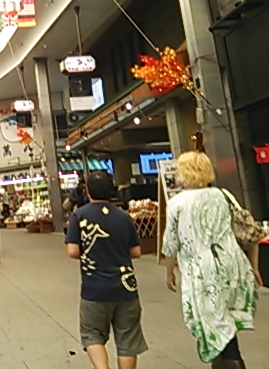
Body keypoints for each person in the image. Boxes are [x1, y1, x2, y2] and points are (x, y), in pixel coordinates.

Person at [162, 151, 258, 368]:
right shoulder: (223, 195)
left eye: (178, 169)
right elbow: (248, 229)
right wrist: (254, 266)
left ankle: (234, 363)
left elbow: (170, 242)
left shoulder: (177, 202)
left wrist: (169, 271)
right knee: (223, 323)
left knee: (215, 326)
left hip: (203, 270)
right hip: (232, 264)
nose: (175, 173)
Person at [65, 171, 147, 369]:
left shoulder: (79, 215)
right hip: (125, 287)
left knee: (92, 334)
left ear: (87, 191)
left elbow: (72, 251)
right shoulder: (124, 216)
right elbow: (136, 252)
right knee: (127, 339)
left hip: (94, 288)